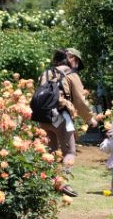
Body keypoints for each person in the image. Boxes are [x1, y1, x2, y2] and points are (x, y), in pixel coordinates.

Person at [37, 47, 97, 197]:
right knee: (69, 152)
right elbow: (80, 101)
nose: (77, 66)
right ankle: (62, 182)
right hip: (61, 116)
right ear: (72, 59)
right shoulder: (71, 75)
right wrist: (90, 118)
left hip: (43, 117)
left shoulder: (45, 73)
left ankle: (47, 182)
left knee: (50, 151)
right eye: (77, 62)